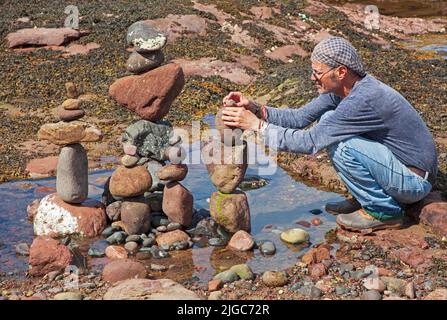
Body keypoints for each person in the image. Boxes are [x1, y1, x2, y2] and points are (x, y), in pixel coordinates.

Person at [221, 36, 437, 232]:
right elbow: (299, 118)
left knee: (343, 146)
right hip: (396, 167)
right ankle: (366, 197)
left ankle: (384, 212)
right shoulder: (344, 88)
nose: (313, 78)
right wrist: (257, 109)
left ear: (341, 72)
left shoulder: (363, 100)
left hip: (413, 182)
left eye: (318, 72)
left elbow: (310, 143)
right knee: (328, 122)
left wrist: (257, 126)